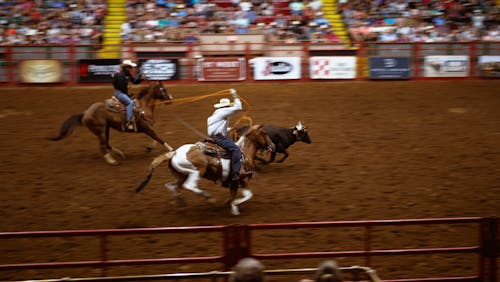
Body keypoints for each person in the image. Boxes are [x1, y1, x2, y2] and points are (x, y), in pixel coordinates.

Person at [207, 89, 243, 188]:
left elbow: (217, 128)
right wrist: (234, 95)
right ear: (226, 107)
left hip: (214, 137)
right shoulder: (224, 112)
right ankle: (235, 174)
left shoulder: (216, 113)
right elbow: (239, 107)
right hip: (220, 138)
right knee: (236, 150)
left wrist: (231, 128)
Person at [112, 59, 145, 130]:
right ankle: (128, 122)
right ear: (126, 67)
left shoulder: (127, 74)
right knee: (130, 103)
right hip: (119, 93)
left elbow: (134, 81)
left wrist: (141, 78)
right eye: (130, 67)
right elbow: (122, 87)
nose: (131, 68)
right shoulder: (120, 75)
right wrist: (127, 94)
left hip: (122, 92)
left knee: (134, 100)